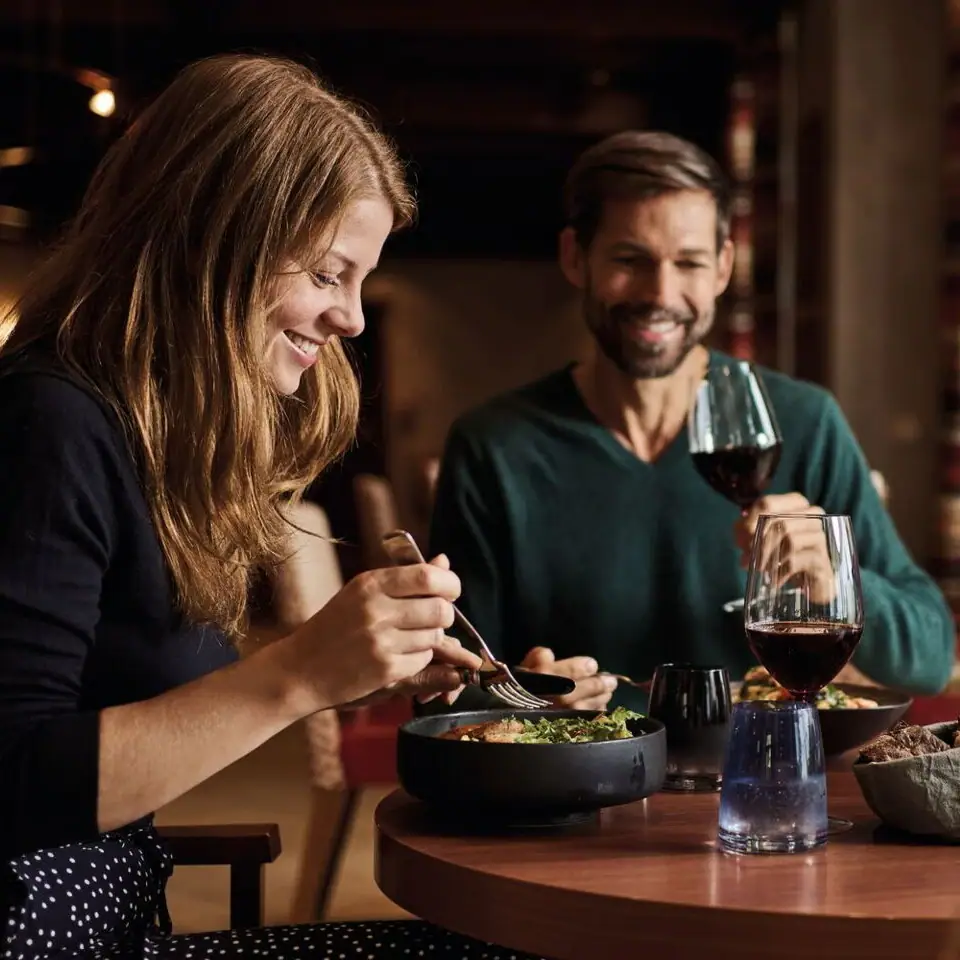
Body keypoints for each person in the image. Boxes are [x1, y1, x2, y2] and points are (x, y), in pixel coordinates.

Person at [0, 54, 550, 960]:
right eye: (331, 274)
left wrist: (359, 666)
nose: (354, 319)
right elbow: (14, 774)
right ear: (221, 242)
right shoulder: (47, 422)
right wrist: (298, 675)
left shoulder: (143, 438)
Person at [429, 130, 955, 714]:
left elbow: (931, 658)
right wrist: (525, 699)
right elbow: (449, 694)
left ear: (724, 267)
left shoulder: (805, 421)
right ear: (575, 257)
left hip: (766, 783)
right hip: (577, 789)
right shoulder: (494, 445)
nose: (662, 292)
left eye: (689, 263)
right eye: (630, 260)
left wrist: (842, 583)